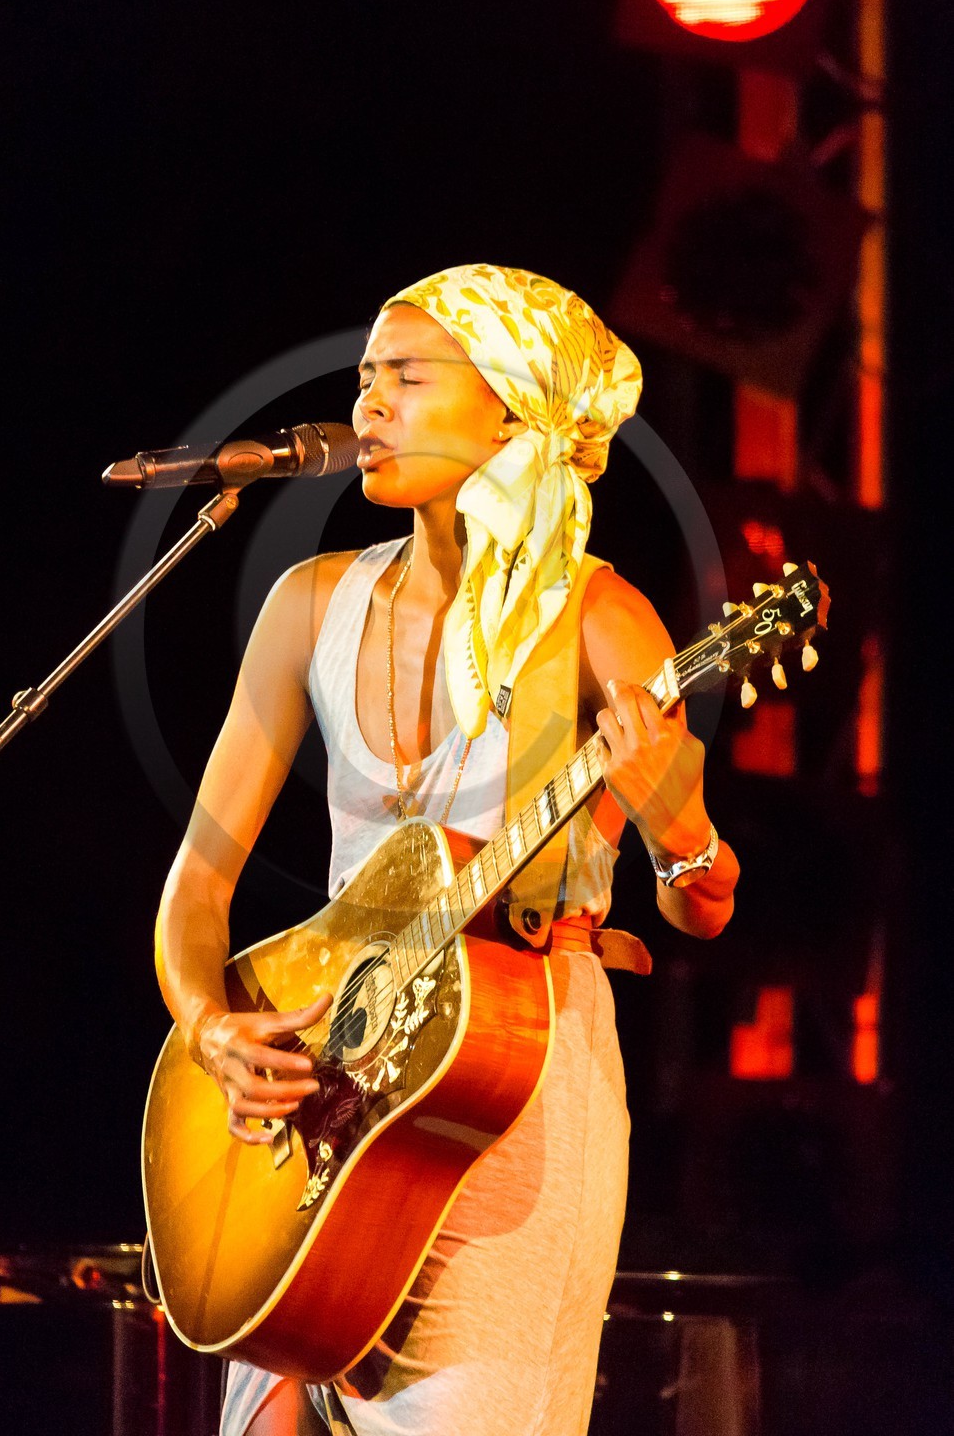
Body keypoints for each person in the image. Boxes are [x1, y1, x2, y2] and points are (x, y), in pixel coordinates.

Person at [155, 264, 739, 1436]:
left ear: (512, 410)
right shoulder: (309, 601)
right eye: (365, 377)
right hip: (321, 1099)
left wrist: (675, 829)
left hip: (504, 1100)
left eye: (408, 378)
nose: (368, 404)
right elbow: (198, 883)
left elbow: (704, 903)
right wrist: (209, 1024)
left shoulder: (598, 619)